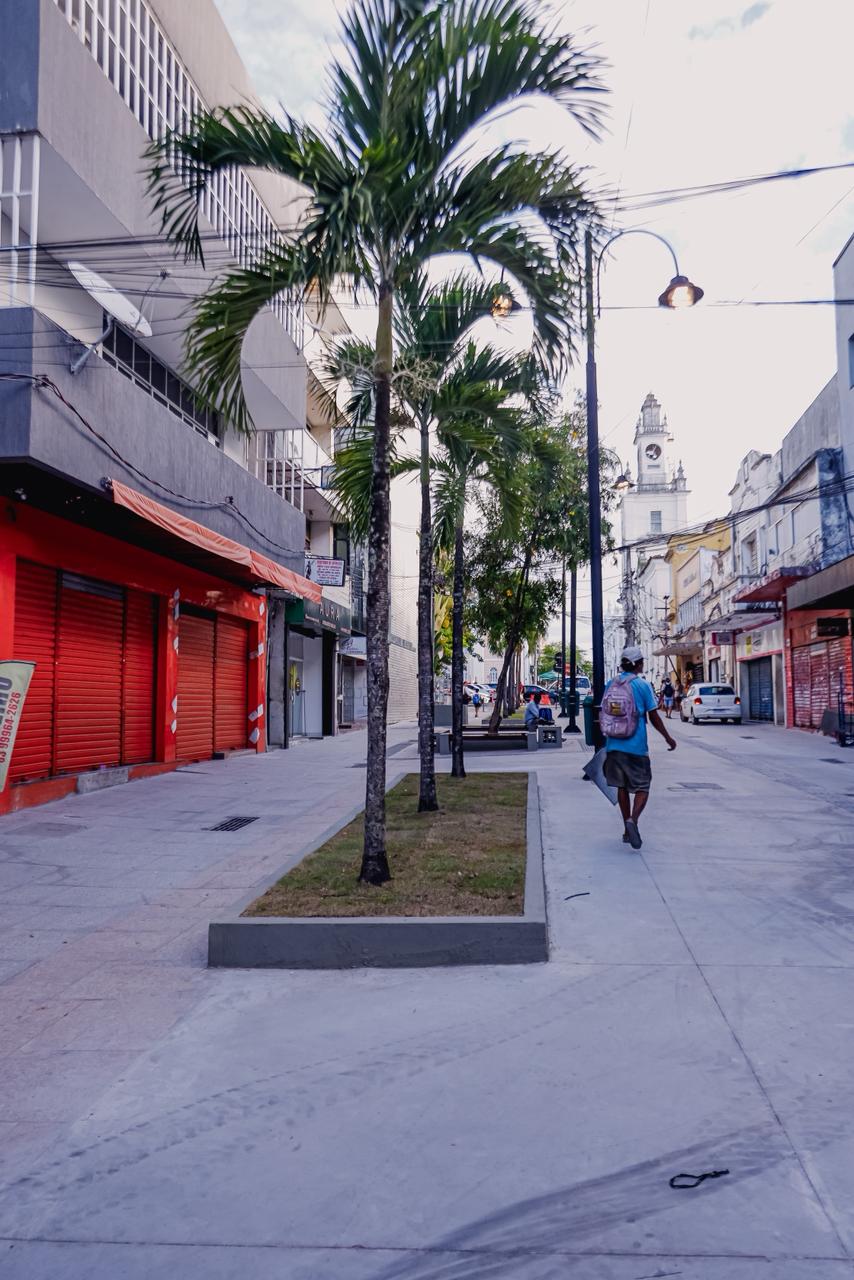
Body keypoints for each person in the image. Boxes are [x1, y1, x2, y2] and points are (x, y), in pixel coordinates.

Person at [602, 645, 676, 850]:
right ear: (637, 664)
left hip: (613, 746)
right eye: (642, 661)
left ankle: (627, 830)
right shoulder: (642, 686)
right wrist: (668, 738)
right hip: (636, 747)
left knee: (622, 787)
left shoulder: (611, 683)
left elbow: (604, 712)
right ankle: (633, 820)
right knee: (643, 787)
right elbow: (653, 717)